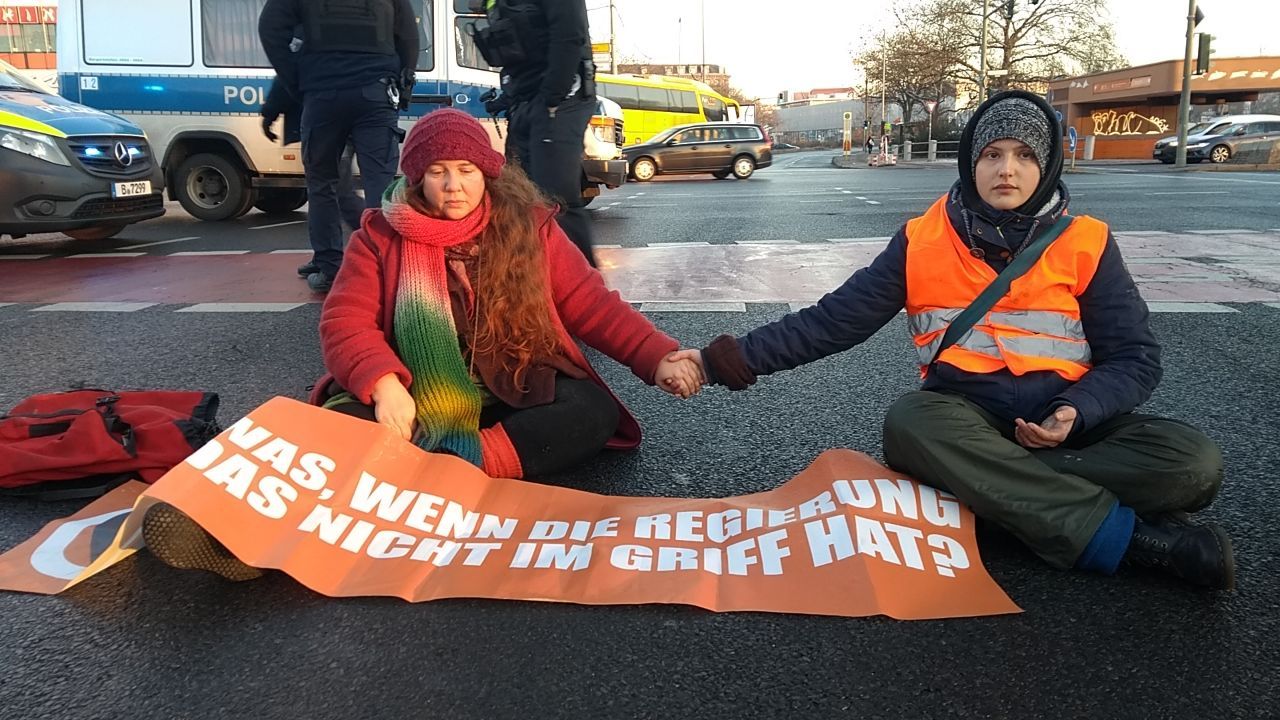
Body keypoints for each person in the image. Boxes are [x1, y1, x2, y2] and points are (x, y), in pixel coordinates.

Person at [676, 90, 1236, 591]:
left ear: (1047, 164)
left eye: (1024, 155)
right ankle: (1132, 541)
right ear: (972, 162)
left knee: (1193, 462)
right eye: (992, 155)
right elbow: (832, 321)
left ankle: (990, 495)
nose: (1007, 171)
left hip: (1069, 425)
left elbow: (1135, 358)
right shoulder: (923, 239)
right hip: (963, 420)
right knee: (911, 423)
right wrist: (717, 360)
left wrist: (1075, 410)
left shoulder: (1087, 242)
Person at [143, 109, 701, 581]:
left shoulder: (531, 228)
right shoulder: (380, 234)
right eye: (437, 172)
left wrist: (656, 356)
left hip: (513, 382)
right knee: (327, 436)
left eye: (465, 171)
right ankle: (229, 534)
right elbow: (345, 322)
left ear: (488, 174)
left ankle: (448, 470)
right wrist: (382, 384)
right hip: (411, 388)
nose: (453, 185)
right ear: (416, 178)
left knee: (591, 411)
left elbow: (591, 305)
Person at [259, 0, 420, 293]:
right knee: (381, 186)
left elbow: (270, 30)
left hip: (322, 95)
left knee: (322, 184)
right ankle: (385, 266)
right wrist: (403, 84)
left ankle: (330, 267)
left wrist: (298, 83)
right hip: (376, 92)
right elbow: (408, 36)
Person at [473, 0, 599, 266]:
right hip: (524, 99)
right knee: (518, 198)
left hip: (559, 101)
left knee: (556, 201)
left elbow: (569, 36)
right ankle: (532, 284)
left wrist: (550, 98)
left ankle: (583, 290)